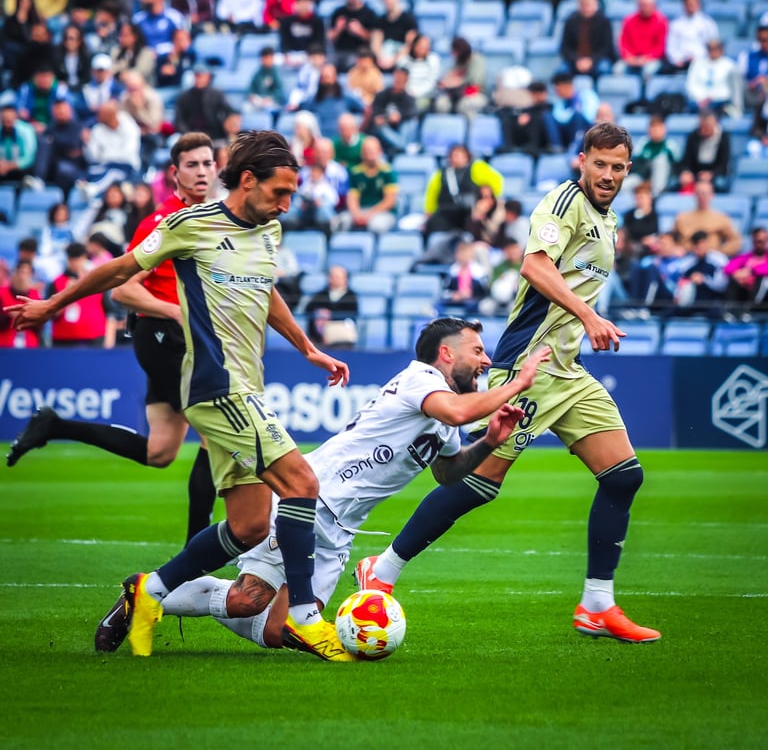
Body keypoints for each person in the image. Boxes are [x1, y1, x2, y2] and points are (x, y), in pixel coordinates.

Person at [6, 129, 354, 662]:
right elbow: (121, 271)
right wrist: (52, 306)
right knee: (302, 482)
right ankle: (306, 618)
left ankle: (150, 590)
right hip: (215, 385)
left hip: (248, 386)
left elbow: (266, 291)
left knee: (249, 526)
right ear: (247, 180)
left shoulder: (269, 231)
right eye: (280, 192)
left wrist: (307, 348)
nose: (286, 204)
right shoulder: (189, 224)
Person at [355, 121, 662, 644]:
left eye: (617, 167)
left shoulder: (608, 219)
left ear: (628, 169)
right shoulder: (564, 203)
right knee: (479, 483)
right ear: (582, 161)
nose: (608, 174)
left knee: (623, 477)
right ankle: (381, 570)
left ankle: (596, 605)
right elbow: (534, 267)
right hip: (530, 366)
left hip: (569, 371)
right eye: (599, 164)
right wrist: (589, 316)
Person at [143, 322, 548, 655]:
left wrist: (490, 441)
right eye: (477, 351)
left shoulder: (443, 411)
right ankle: (146, 592)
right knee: (246, 600)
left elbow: (447, 473)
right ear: (446, 353)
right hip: (311, 500)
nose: (486, 360)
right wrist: (517, 383)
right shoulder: (419, 379)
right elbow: (458, 413)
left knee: (276, 631)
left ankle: (167, 591)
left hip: (341, 530)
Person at [9, 134, 220, 537]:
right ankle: (197, 554)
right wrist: (175, 310)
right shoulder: (162, 222)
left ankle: (54, 426)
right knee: (217, 433)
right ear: (174, 173)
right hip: (164, 337)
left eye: (207, 163)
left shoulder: (208, 219)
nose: (201, 172)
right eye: (192, 165)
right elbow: (123, 290)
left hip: (175, 338)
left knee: (160, 451)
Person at [424, 144, 503, 236]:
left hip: (469, 211)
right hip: (447, 212)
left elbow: (496, 181)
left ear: (466, 156)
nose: (454, 158)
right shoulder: (441, 174)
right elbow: (432, 193)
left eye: (458, 155)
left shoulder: (477, 168)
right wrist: (429, 211)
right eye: (453, 155)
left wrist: (487, 199)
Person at [335, 135, 398, 233]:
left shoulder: (388, 172)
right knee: (341, 222)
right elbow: (352, 198)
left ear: (380, 152)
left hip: (382, 212)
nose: (369, 154)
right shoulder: (356, 172)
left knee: (376, 226)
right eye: (367, 151)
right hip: (360, 210)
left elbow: (390, 201)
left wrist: (370, 214)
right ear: (362, 153)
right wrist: (356, 214)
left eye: (372, 150)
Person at [671, 178, 741, 256]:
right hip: (685, 256)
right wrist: (674, 248)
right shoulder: (682, 217)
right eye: (698, 193)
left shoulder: (721, 218)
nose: (701, 196)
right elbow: (670, 238)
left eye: (704, 193)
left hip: (710, 257)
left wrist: (720, 252)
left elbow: (735, 241)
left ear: (711, 195)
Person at [558, 0, 615, 78]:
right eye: (583, 3)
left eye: (588, 3)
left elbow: (607, 48)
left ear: (595, 3)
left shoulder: (604, 21)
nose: (586, 6)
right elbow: (565, 47)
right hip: (575, 61)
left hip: (598, 60)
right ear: (579, 4)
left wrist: (591, 60)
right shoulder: (571, 21)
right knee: (562, 71)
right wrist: (576, 60)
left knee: (603, 67)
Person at [327, 0, 378, 71]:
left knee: (352, 63)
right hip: (339, 51)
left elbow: (374, 39)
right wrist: (338, 29)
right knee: (327, 66)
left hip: (360, 52)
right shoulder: (338, 12)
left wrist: (360, 31)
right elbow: (330, 37)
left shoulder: (369, 13)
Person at [614, 0, 667, 79]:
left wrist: (646, 58)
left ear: (653, 5)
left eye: (647, 5)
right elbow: (623, 43)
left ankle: (646, 88)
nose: (644, 8)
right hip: (631, 58)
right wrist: (629, 57)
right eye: (642, 5)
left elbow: (660, 48)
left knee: (648, 70)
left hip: (651, 59)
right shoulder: (628, 20)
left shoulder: (661, 21)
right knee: (618, 69)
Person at [676, 113, 733, 194]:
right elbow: (686, 160)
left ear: (714, 124)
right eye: (702, 126)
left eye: (707, 127)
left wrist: (711, 174)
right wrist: (686, 171)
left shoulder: (724, 137)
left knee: (718, 184)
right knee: (679, 184)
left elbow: (724, 164)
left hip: (715, 173)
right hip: (696, 173)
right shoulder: (693, 136)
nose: (704, 130)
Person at [665, 0, 718, 74]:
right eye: (689, 3)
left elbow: (713, 46)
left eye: (694, 3)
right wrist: (677, 59)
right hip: (680, 63)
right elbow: (671, 47)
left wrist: (699, 58)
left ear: (699, 4)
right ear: (684, 4)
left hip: (702, 62)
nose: (692, 6)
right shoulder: (675, 24)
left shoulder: (708, 24)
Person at [685, 40, 742, 118]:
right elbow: (691, 85)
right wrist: (702, 98)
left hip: (720, 101)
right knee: (691, 105)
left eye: (715, 48)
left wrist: (712, 97)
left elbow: (732, 90)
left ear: (721, 49)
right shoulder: (697, 64)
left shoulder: (730, 66)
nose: (712, 51)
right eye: (709, 48)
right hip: (699, 101)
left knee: (723, 107)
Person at [305, 265, 359, 347]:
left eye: (337, 277)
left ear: (345, 279)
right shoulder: (321, 294)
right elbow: (309, 309)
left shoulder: (351, 296)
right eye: (331, 276)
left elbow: (352, 314)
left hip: (341, 338)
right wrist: (320, 313)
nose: (334, 279)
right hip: (319, 337)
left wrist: (330, 316)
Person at [369, 0, 418, 71]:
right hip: (384, 56)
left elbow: (409, 44)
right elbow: (375, 42)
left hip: (401, 57)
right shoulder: (379, 20)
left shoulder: (409, 19)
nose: (389, 1)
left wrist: (394, 60)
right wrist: (380, 57)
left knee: (404, 62)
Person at [174, 65, 232, 140]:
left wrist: (226, 126)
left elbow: (228, 111)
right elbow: (179, 120)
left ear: (209, 77)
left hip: (214, 134)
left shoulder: (217, 94)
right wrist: (188, 134)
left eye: (201, 76)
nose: (198, 79)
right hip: (190, 133)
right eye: (196, 76)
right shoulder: (184, 96)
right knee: (174, 140)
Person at [724, 226, 768, 310]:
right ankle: (731, 310)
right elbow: (728, 268)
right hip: (744, 289)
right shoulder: (745, 258)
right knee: (733, 280)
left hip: (762, 295)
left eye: (764, 240)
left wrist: (751, 272)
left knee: (763, 280)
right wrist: (737, 274)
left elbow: (764, 270)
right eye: (758, 241)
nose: (761, 243)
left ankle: (751, 309)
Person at [0, 96, 37, 183]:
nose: (7, 125)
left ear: (15, 118)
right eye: (4, 121)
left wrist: (9, 166)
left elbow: (29, 157)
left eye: (9, 121)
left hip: (21, 170)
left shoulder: (27, 130)